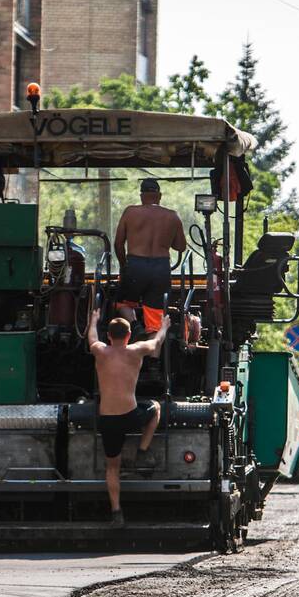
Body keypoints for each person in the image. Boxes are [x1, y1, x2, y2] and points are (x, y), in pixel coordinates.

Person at [87, 308, 169, 527]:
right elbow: (156, 344)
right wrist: (164, 327)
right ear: (129, 335)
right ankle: (142, 450)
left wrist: (94, 319)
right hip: (131, 416)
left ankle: (116, 512)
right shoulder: (136, 350)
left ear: (109, 336)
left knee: (112, 467)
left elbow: (91, 337)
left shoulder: (100, 351)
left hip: (108, 419)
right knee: (156, 408)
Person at [114, 178, 186, 336]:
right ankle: (154, 359)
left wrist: (124, 265)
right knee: (154, 321)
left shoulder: (130, 212)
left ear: (141, 195)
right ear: (159, 195)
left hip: (136, 265)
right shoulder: (172, 216)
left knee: (122, 303)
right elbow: (180, 246)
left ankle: (135, 325)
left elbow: (118, 244)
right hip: (161, 268)